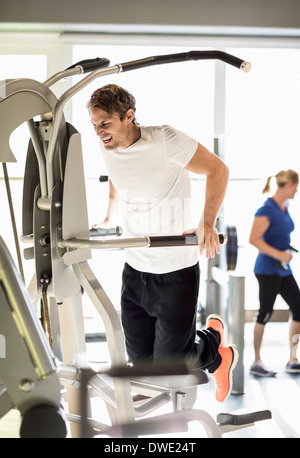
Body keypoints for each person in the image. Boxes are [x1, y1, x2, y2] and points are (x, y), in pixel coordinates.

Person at [87, 84, 238, 402]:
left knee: (169, 367)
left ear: (129, 116)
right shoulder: (108, 145)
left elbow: (218, 170)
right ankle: (154, 388)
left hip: (175, 271)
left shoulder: (166, 139)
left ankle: (215, 349)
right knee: (142, 368)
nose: (99, 132)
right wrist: (109, 215)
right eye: (95, 125)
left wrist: (206, 222)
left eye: (105, 124)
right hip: (135, 268)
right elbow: (119, 175)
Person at [249, 169, 300, 377]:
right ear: (288, 185)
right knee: (265, 313)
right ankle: (256, 361)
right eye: (296, 186)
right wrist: (279, 254)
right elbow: (254, 239)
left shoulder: (284, 206)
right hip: (266, 270)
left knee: (298, 307)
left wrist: (286, 252)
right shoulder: (266, 209)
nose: (297, 190)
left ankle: (292, 358)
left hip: (283, 270)